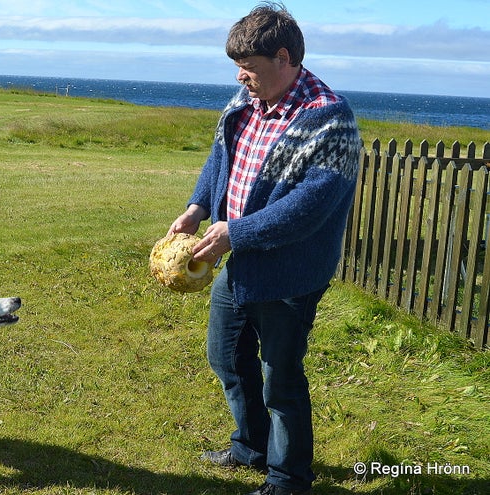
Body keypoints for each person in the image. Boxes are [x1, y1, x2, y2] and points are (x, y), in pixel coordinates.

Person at [165, 3, 361, 495]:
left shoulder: (329, 119)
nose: (240, 76)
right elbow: (222, 159)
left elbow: (309, 207)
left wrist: (237, 234)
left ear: (283, 58)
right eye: (238, 67)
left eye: (249, 68)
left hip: (291, 273)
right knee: (226, 355)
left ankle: (288, 479)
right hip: (242, 263)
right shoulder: (244, 101)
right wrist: (198, 207)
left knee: (281, 380)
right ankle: (250, 447)